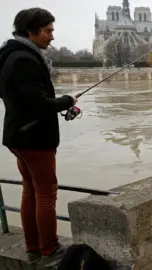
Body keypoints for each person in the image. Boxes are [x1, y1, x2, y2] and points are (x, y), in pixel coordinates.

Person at [0, 8, 77, 267]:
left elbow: (21, 99)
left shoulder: (9, 55)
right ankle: (50, 249)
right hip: (34, 138)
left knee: (30, 191)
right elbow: (39, 104)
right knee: (46, 194)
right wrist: (67, 101)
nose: (52, 36)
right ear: (31, 31)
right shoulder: (23, 59)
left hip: (18, 136)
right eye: (48, 30)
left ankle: (33, 247)